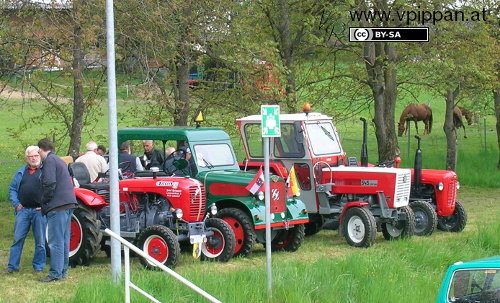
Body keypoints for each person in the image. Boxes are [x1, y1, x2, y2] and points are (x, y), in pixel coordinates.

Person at [37, 138, 78, 282]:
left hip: (57, 205)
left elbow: (49, 183)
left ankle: (55, 273)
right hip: (69, 204)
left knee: (55, 241)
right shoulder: (60, 160)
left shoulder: (49, 161)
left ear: (41, 150)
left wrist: (44, 201)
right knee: (64, 240)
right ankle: (62, 271)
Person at [3, 146, 46, 275]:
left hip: (39, 211)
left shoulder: (45, 171)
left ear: (40, 156)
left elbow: (51, 189)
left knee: (40, 241)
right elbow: (12, 189)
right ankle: (12, 267)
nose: (33, 158)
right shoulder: (21, 172)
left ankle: (38, 267)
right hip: (23, 211)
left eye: (36, 156)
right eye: (31, 156)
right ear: (27, 158)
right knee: (17, 239)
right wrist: (16, 204)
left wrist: (45, 205)